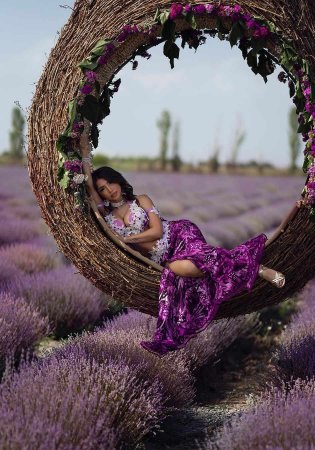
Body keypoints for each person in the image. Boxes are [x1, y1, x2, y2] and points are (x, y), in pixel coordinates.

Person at [80, 135, 302, 357]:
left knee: (203, 259)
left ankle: (260, 269)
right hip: (163, 258)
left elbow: (157, 231)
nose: (109, 190)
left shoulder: (141, 200)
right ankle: (251, 264)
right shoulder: (105, 215)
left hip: (179, 235)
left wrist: (127, 241)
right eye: (102, 189)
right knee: (194, 271)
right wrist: (82, 146)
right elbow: (88, 183)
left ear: (118, 180)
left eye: (110, 182)